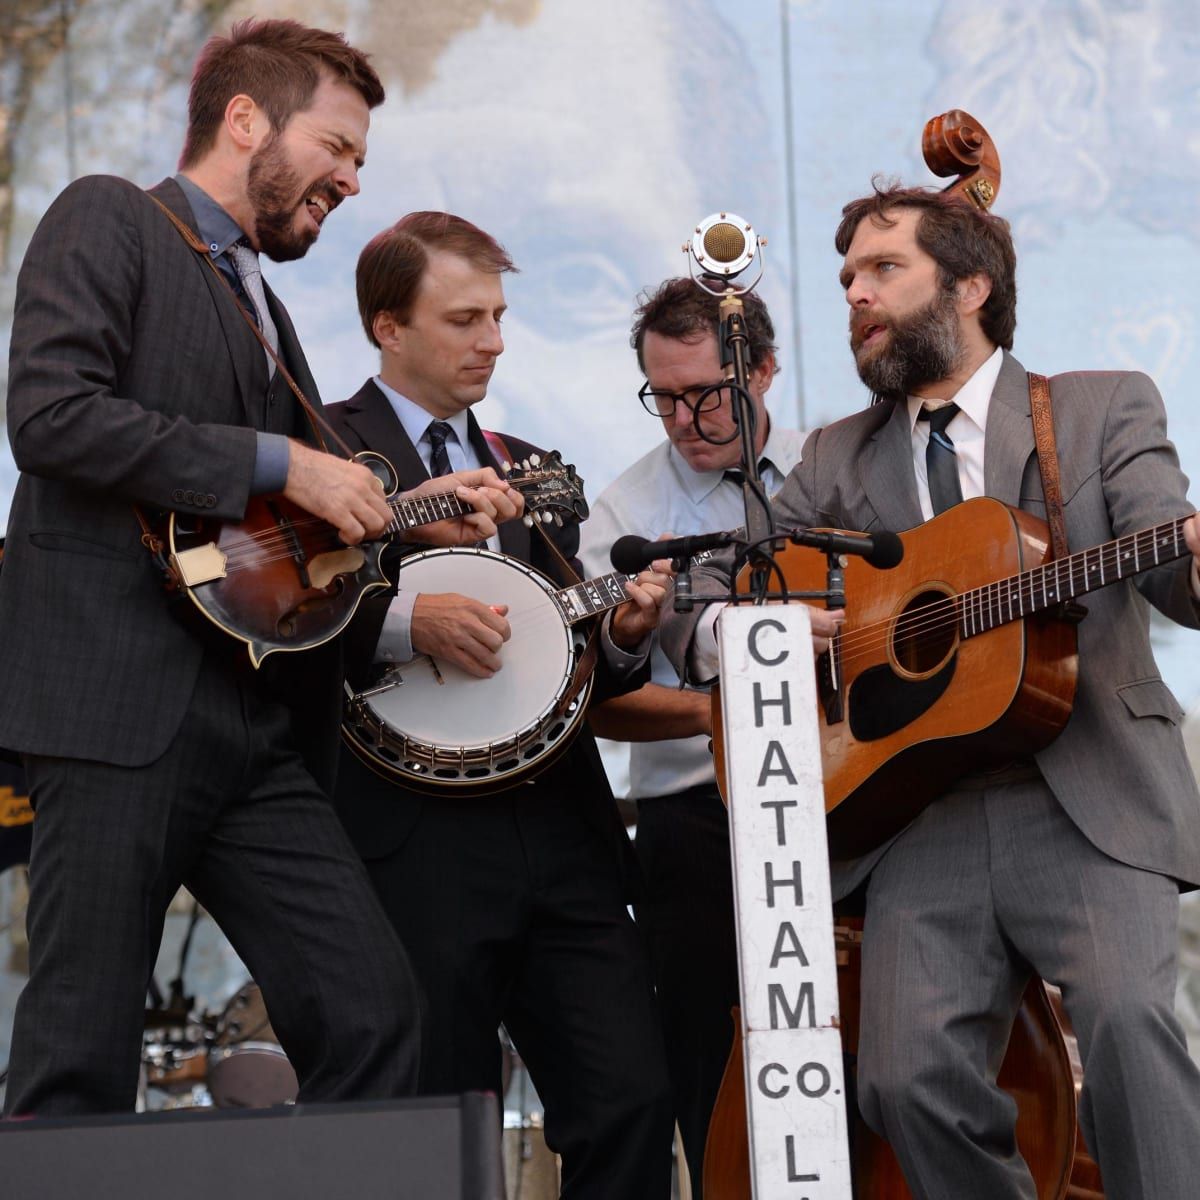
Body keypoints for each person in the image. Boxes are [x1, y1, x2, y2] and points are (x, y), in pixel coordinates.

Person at [0, 19, 520, 1117]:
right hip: (111, 710)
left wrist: (405, 521)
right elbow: (49, 415)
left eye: (360, 158)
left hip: (252, 726)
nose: (351, 177)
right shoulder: (108, 213)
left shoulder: (263, 305)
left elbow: (267, 539)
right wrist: (285, 457)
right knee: (77, 1056)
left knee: (375, 1012)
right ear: (246, 121)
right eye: (339, 145)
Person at [660, 183, 1200, 1198]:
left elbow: (1173, 570)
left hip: (1083, 789)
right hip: (919, 815)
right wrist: (771, 627)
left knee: (1129, 1028)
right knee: (906, 1082)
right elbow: (713, 600)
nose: (856, 295)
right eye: (847, 279)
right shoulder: (833, 457)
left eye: (882, 270)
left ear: (971, 285)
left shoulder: (1099, 407)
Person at [325, 211, 675, 1199]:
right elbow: (278, 623)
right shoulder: (319, 448)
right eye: (465, 318)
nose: (495, 340)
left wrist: (624, 636)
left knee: (632, 1104)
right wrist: (398, 616)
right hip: (410, 846)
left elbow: (566, 670)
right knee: (441, 1135)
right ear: (389, 327)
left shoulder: (535, 466)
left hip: (562, 836)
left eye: (500, 315)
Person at [577, 277, 805, 1195]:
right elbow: (598, 700)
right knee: (708, 1067)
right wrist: (732, 712)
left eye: (706, 392)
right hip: (692, 818)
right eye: (662, 397)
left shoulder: (835, 469)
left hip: (844, 799)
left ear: (766, 371)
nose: (683, 418)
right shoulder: (622, 516)